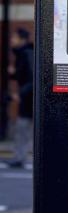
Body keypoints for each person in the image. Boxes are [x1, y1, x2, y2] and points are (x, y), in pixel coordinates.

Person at [8, 28, 34, 168]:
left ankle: (20, 157)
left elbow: (31, 79)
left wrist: (20, 94)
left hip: (29, 99)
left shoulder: (27, 54)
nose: (12, 40)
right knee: (22, 129)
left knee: (23, 128)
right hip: (27, 98)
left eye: (14, 37)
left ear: (22, 39)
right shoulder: (22, 54)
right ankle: (19, 156)